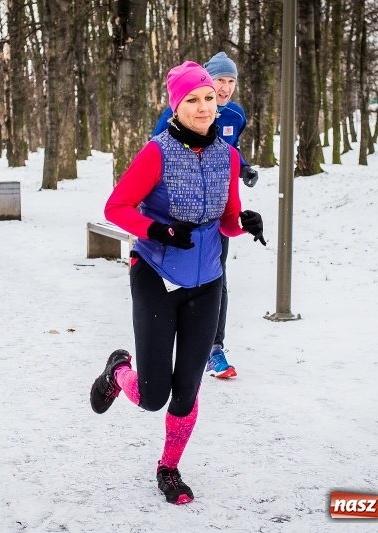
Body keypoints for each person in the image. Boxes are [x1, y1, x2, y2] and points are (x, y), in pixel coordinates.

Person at [89, 61, 266, 505]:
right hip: (156, 273)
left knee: (186, 391)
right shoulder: (157, 152)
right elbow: (117, 207)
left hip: (207, 280)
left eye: (209, 97)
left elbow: (224, 221)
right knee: (153, 396)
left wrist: (243, 223)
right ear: (177, 105)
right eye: (193, 99)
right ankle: (118, 372)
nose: (205, 106)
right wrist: (157, 230)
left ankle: (168, 468)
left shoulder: (226, 155)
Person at [155, 51, 256, 379]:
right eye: (219, 80)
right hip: (179, 211)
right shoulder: (174, 113)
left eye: (231, 81)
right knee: (172, 277)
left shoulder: (236, 116)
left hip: (216, 210)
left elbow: (230, 152)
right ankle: (165, 342)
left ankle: (214, 349)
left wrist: (244, 169)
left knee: (217, 275)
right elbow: (155, 152)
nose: (225, 88)